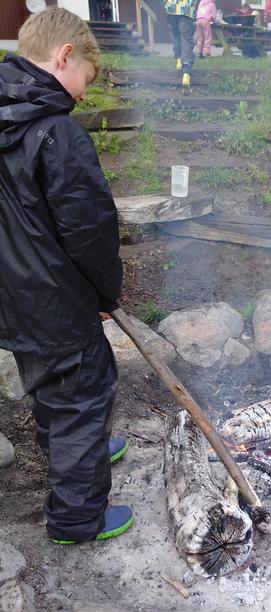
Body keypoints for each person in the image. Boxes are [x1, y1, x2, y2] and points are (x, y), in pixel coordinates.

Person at [0, 8, 133, 544]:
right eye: (86, 80)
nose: (84, 94)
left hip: (13, 294)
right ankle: (76, 520)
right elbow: (91, 230)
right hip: (54, 295)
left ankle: (79, 451)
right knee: (84, 390)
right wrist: (106, 292)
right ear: (64, 57)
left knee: (53, 383)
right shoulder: (57, 134)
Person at [164, 0, 196, 92]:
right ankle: (186, 71)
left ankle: (178, 59)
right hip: (186, 9)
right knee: (186, 38)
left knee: (175, 35)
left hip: (171, 8)